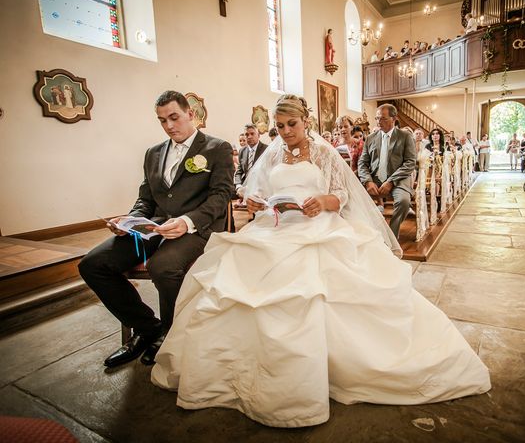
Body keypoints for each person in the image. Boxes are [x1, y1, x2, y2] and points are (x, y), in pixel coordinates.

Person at [150, 94, 491, 427]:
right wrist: (255, 203)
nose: (285, 132)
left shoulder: (325, 152)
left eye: (292, 124)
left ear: (306, 122)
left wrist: (323, 202)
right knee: (233, 279)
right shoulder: (272, 155)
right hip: (275, 226)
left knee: (314, 289)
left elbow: (342, 193)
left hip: (318, 227)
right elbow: (257, 191)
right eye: (280, 126)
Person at [78, 90, 234, 368]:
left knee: (163, 266)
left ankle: (172, 334)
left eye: (174, 117)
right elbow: (145, 199)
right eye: (162, 120)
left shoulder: (217, 148)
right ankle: (147, 327)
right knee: (93, 264)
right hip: (154, 227)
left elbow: (221, 196)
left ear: (191, 114)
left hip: (196, 229)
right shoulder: (153, 153)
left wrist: (187, 222)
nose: (169, 125)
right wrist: (130, 222)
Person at [358, 103, 417, 238]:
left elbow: (410, 163)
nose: (379, 122)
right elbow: (362, 163)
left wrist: (391, 181)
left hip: (398, 180)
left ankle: (391, 234)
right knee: (354, 199)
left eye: (383, 118)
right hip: (375, 180)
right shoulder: (371, 138)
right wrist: (367, 181)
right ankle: (368, 234)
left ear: (394, 118)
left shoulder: (405, 136)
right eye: (377, 118)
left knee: (403, 202)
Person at [233, 123, 268, 198]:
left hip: (261, 188)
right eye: (247, 134)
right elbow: (239, 171)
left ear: (258, 135)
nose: (249, 137)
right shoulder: (242, 151)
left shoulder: (266, 150)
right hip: (245, 187)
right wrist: (238, 186)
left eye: (252, 134)